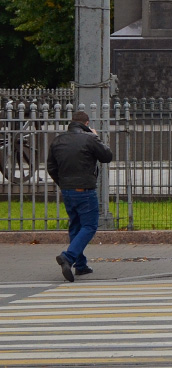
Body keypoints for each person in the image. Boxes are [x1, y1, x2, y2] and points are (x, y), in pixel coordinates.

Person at [47, 110, 114, 282]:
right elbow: (107, 156)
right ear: (86, 124)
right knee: (90, 226)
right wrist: (96, 137)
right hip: (84, 190)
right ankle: (68, 257)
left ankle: (81, 265)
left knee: (76, 226)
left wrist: (63, 183)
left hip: (67, 191)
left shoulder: (58, 140)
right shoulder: (90, 139)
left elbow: (51, 167)